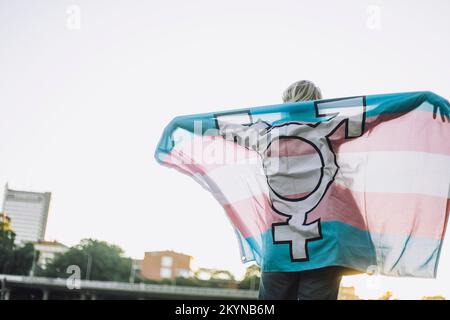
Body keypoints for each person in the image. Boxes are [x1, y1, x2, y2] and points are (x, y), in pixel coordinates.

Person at [258, 80, 344, 300]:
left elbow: (222, 131)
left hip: (278, 243)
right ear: (318, 104)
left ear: (286, 102)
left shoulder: (265, 135)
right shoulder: (331, 131)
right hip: (323, 242)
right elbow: (376, 118)